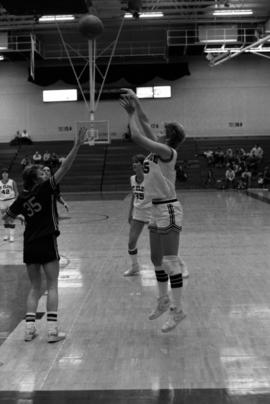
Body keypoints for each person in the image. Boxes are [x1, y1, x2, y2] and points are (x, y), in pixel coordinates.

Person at [2, 127, 86, 343]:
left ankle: (29, 330)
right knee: (52, 285)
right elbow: (66, 166)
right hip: (47, 242)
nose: (46, 172)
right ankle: (52, 331)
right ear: (36, 178)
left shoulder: (22, 197)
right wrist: (76, 145)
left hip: (29, 245)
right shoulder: (46, 189)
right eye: (42, 172)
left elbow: (6, 218)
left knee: (34, 288)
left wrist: (21, 218)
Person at [120, 88, 187, 333]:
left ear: (168, 137)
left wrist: (130, 115)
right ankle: (163, 299)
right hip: (155, 210)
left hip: (168, 208)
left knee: (170, 261)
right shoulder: (157, 149)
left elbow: (137, 135)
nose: (157, 132)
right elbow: (146, 123)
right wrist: (136, 102)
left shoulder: (167, 152)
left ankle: (177, 311)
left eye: (162, 131)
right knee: (156, 259)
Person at [125, 154, 152, 276]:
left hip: (152, 212)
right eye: (132, 161)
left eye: (136, 162)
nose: (133, 164)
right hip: (138, 213)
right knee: (131, 242)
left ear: (142, 164)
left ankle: (176, 264)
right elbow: (133, 195)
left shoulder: (150, 178)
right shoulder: (132, 178)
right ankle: (135, 266)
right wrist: (130, 212)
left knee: (162, 241)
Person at [0, 168, 18, 242]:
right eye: (3, 173)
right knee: (5, 219)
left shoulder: (12, 182)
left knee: (11, 218)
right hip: (2, 202)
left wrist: (16, 200)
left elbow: (16, 192)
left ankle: (12, 236)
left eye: (6, 173)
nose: (5, 174)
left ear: (8, 174)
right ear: (1, 174)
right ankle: (6, 235)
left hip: (11, 201)